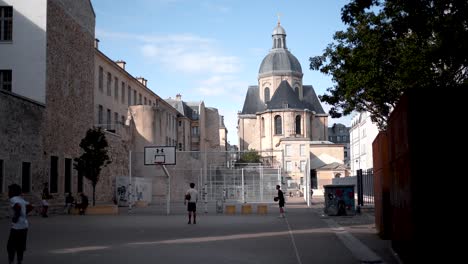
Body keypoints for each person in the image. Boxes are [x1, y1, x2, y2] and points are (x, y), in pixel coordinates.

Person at [7, 184, 34, 264]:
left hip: (16, 226)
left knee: (10, 245)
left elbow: (17, 207)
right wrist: (24, 214)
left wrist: (16, 218)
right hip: (24, 225)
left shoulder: (13, 199)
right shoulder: (21, 199)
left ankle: (11, 261)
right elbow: (30, 206)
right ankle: (19, 261)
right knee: (21, 245)